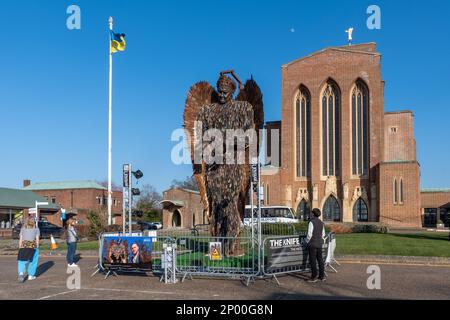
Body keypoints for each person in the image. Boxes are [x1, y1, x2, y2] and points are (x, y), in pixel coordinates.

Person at [306, 208, 326, 283]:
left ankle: (314, 277)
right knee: (320, 260)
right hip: (319, 244)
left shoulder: (311, 222)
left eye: (311, 213)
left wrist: (307, 241)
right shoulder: (321, 222)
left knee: (313, 261)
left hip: (312, 244)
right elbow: (323, 234)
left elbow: (309, 234)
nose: (311, 214)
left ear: (313, 214)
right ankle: (322, 276)